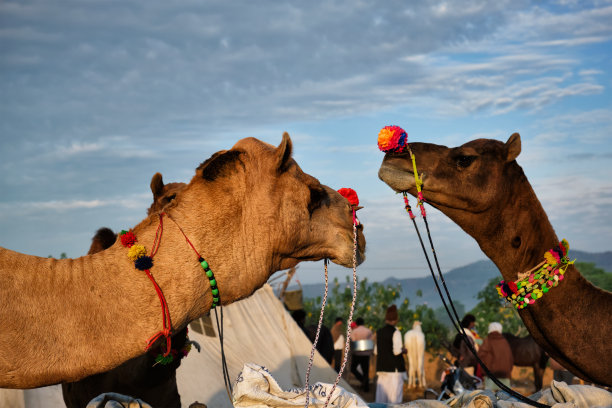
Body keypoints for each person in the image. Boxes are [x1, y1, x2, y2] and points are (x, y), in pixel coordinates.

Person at [374, 305, 406, 403]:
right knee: (394, 402)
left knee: (381, 401)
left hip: (382, 369)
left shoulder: (379, 332)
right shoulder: (396, 332)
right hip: (394, 371)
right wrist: (403, 350)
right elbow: (396, 351)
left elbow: (376, 351)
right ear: (396, 319)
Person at [478, 322, 513, 391]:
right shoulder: (505, 341)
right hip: (505, 375)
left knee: (491, 399)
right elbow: (510, 359)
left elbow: (480, 356)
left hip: (491, 376)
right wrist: (508, 371)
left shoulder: (487, 341)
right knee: (505, 398)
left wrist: (485, 371)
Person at [350, 317, 373, 392]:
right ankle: (366, 387)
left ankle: (362, 380)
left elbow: (353, 340)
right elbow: (370, 341)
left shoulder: (354, 331)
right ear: (363, 323)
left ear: (356, 323)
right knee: (365, 371)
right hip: (366, 354)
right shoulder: (368, 331)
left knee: (353, 369)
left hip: (357, 354)